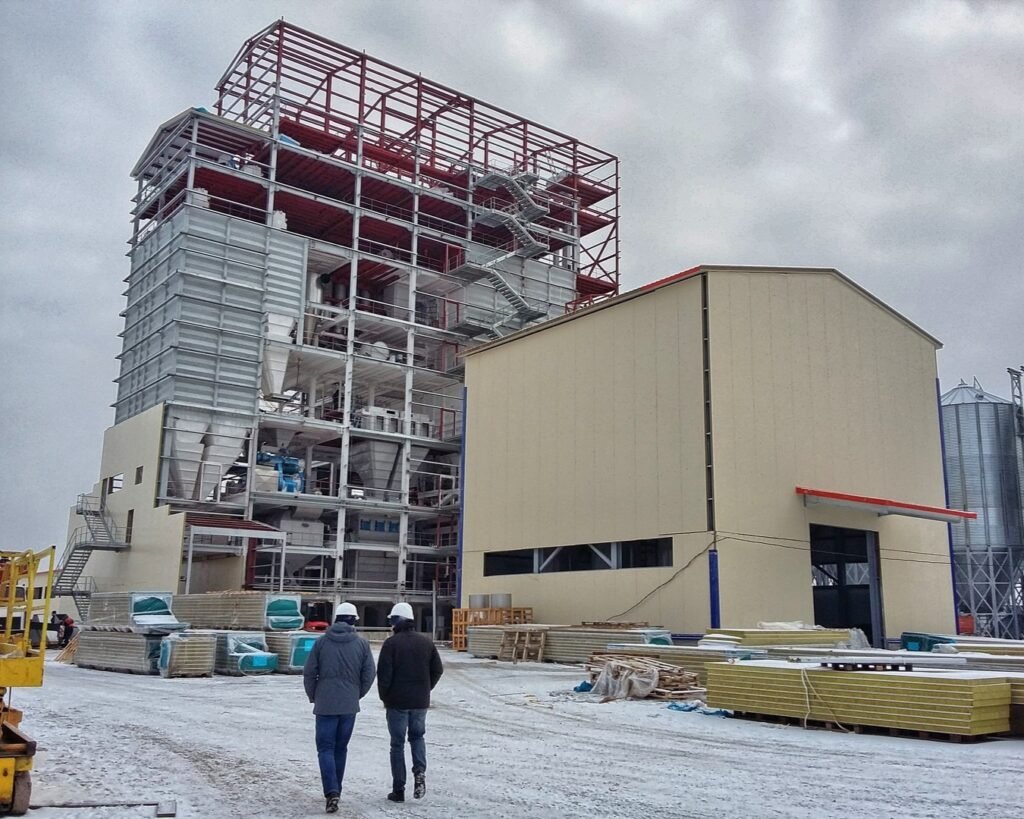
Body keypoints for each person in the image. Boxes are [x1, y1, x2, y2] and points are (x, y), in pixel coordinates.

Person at [303, 602, 376, 815]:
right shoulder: (362, 645)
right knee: (340, 748)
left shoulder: (322, 643)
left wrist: (314, 695)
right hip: (348, 706)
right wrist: (357, 694)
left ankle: (331, 792)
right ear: (353, 620)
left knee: (325, 748)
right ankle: (337, 791)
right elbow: (369, 674)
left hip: (325, 704)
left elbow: (309, 672)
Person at [377, 602, 443, 803]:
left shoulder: (391, 644)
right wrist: (425, 689)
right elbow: (437, 669)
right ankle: (420, 772)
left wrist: (385, 696)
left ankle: (399, 789)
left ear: (397, 621)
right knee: (417, 738)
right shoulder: (426, 643)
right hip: (420, 702)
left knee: (397, 745)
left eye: (391, 620)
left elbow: (384, 675)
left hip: (397, 702)